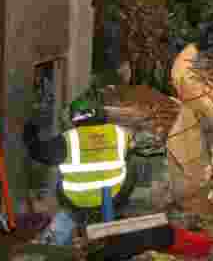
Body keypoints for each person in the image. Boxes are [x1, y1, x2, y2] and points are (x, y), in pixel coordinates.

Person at [24, 99, 134, 242]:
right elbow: (128, 154)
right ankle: (112, 216)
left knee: (59, 172)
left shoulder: (67, 139)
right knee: (129, 166)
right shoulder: (120, 133)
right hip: (114, 196)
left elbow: (39, 153)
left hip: (77, 201)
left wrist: (30, 133)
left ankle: (60, 233)